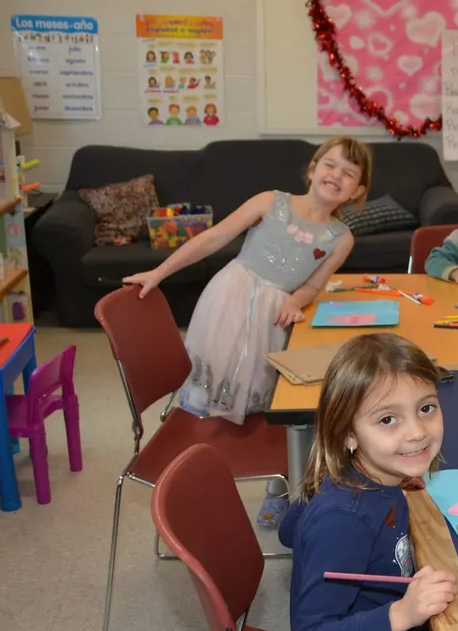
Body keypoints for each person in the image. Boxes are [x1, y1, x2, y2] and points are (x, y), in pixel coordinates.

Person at [123, 137, 370, 526]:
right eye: (330, 164)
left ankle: (278, 487)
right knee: (207, 394)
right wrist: (159, 272)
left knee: (277, 402)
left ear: (357, 191)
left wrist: (297, 300)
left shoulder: (341, 238)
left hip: (273, 322)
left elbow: (313, 285)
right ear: (312, 168)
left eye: (349, 173)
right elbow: (213, 237)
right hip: (228, 304)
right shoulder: (270, 202)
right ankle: (186, 477)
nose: (336, 175)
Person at [278, 334, 458, 631]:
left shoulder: (360, 475)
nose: (417, 432)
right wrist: (402, 614)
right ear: (348, 435)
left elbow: (289, 530)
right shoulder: (345, 519)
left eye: (426, 408)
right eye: (388, 419)